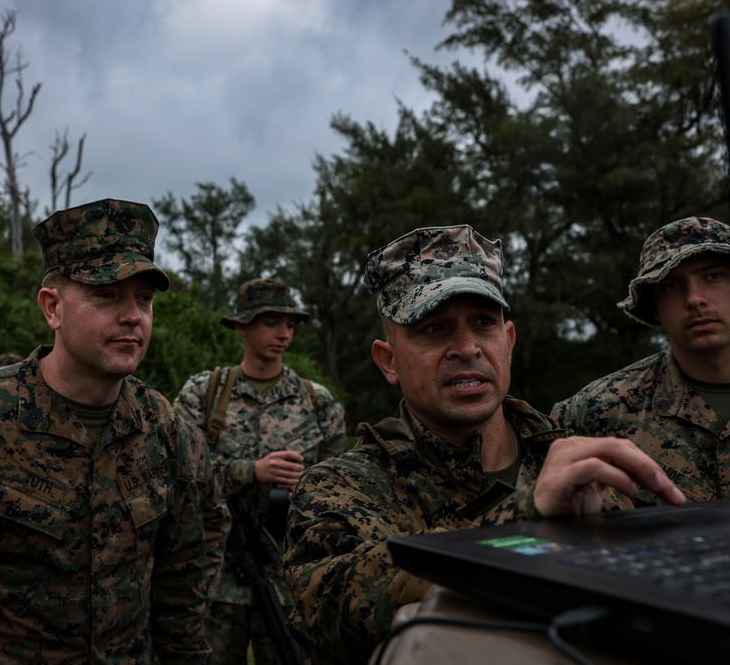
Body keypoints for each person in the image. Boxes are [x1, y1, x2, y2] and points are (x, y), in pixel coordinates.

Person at [281, 225, 685, 665]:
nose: (467, 347)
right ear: (389, 361)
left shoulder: (577, 462)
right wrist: (525, 516)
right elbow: (331, 608)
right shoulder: (343, 485)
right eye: (433, 328)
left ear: (507, 341)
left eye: (483, 322)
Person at [0, 198, 230, 663]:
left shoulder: (164, 428)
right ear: (53, 308)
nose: (133, 316)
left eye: (144, 299)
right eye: (107, 295)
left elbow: (181, 597)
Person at [174, 278, 348, 665]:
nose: (283, 333)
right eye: (271, 322)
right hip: (215, 580)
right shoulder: (203, 394)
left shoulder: (318, 403)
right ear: (242, 326)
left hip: (290, 581)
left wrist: (305, 486)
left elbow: (340, 494)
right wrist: (251, 471)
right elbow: (180, 476)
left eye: (290, 324)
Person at [553, 216, 730, 504]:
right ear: (654, 307)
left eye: (713, 276)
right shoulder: (594, 413)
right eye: (672, 285)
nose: (695, 298)